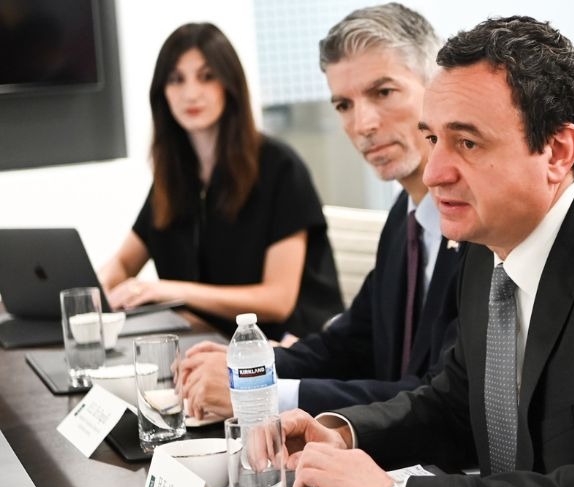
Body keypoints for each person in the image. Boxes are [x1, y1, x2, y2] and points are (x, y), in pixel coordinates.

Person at [281, 16, 574, 487]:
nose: (434, 173)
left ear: (557, 152)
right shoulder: (488, 247)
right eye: (433, 139)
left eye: (467, 143)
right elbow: (457, 402)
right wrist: (344, 433)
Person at [178, 4, 466, 420]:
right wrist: (250, 365)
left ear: (435, 89)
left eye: (383, 93)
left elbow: (439, 398)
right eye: (344, 105)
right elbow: (351, 341)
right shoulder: (405, 217)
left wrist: (265, 393)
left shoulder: (479, 226)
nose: (363, 124)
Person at [98, 23, 343, 340]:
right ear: (162, 93)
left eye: (207, 76)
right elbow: (123, 262)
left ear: (230, 85)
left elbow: (278, 301)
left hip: (283, 350)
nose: (190, 93)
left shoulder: (280, 167)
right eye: (176, 79)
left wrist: (168, 290)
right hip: (205, 343)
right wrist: (97, 291)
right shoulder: (175, 174)